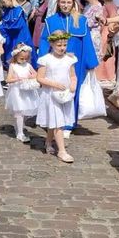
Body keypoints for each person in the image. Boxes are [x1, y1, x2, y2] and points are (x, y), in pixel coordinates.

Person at [38, 0, 98, 135]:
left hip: (77, 60)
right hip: (55, 61)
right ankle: (55, 120)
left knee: (72, 90)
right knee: (56, 89)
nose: (65, 5)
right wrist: (42, 61)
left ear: (73, 3)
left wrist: (91, 63)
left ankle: (69, 123)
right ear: (58, 3)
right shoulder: (51, 21)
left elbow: (87, 41)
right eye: (63, 2)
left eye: (69, 2)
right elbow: (44, 40)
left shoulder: (81, 20)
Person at [36, 30, 77, 163]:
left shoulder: (69, 59)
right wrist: (53, 84)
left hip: (64, 95)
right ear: (52, 44)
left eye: (64, 45)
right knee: (58, 122)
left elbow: (72, 75)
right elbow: (40, 78)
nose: (62, 48)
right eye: (59, 45)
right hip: (51, 95)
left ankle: (48, 142)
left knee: (55, 121)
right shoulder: (46, 60)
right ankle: (62, 151)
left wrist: (73, 84)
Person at [5, 43, 39, 143]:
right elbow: (8, 79)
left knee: (24, 112)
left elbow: (36, 75)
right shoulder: (13, 66)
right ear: (16, 57)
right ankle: (20, 133)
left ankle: (19, 127)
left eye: (26, 58)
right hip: (17, 92)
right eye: (22, 58)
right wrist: (17, 79)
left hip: (27, 91)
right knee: (19, 112)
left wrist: (30, 76)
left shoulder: (28, 65)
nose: (24, 60)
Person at [0, 0, 36, 71]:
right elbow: (5, 21)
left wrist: (2, 28)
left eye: (5, 2)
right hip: (10, 35)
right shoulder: (7, 9)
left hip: (20, 34)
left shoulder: (18, 10)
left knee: (20, 51)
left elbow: (17, 25)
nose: (4, 4)